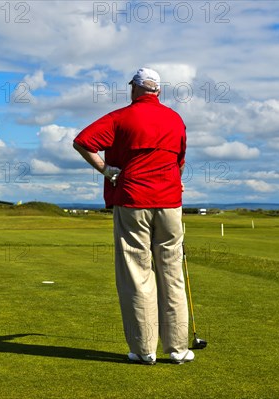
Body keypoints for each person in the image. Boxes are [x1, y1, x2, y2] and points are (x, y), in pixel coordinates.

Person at [73, 68, 193, 365]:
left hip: (133, 200)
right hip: (170, 203)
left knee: (138, 274)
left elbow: (82, 142)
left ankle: (144, 350)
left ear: (134, 89)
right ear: (158, 92)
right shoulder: (175, 119)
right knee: (172, 274)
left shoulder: (120, 118)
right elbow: (179, 162)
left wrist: (105, 169)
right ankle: (178, 349)